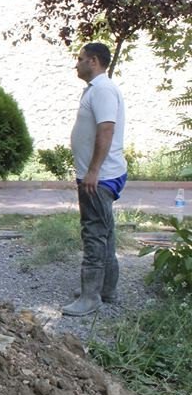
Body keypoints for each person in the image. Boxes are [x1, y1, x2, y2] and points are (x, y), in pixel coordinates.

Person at [63, 42, 127, 316]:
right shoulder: (97, 89)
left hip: (100, 178)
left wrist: (93, 171)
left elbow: (106, 130)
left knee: (94, 233)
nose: (76, 64)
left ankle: (90, 297)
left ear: (93, 61)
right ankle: (106, 289)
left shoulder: (102, 90)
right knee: (105, 231)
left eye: (80, 59)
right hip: (99, 174)